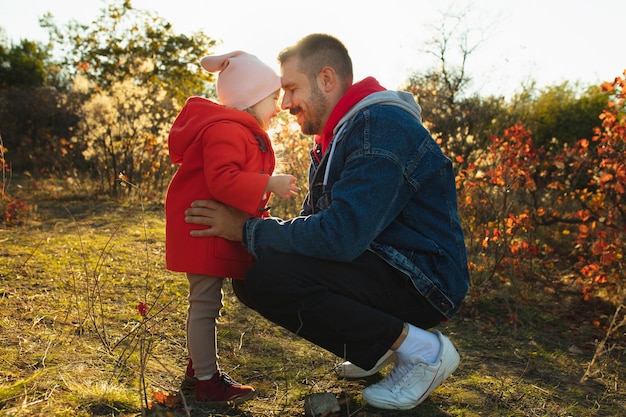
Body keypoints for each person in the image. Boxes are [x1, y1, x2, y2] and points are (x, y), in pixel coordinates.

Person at [183, 34, 470, 410]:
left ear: (327, 80)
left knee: (270, 278)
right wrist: (252, 227)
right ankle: (380, 346)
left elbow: (340, 235)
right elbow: (313, 225)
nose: (284, 103)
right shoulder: (336, 136)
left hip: (423, 279)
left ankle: (424, 352)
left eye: (290, 88)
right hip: (382, 264)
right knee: (255, 270)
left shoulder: (380, 126)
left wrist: (245, 230)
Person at [165, 50, 300, 403]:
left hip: (208, 228)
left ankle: (199, 372)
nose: (278, 107)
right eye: (272, 98)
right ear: (252, 98)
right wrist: (268, 184)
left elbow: (232, 185)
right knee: (205, 303)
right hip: (202, 228)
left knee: (208, 302)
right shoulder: (226, 130)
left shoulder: (237, 130)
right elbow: (224, 181)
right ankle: (208, 383)